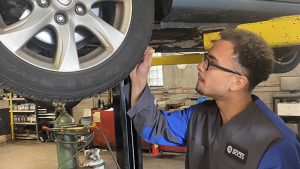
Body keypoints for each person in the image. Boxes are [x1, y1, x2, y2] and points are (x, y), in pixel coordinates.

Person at [124, 29, 300, 169]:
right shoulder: (200, 115)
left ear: (237, 82)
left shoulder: (277, 145)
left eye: (211, 63)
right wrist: (139, 79)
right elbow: (154, 127)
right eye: (205, 58)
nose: (200, 66)